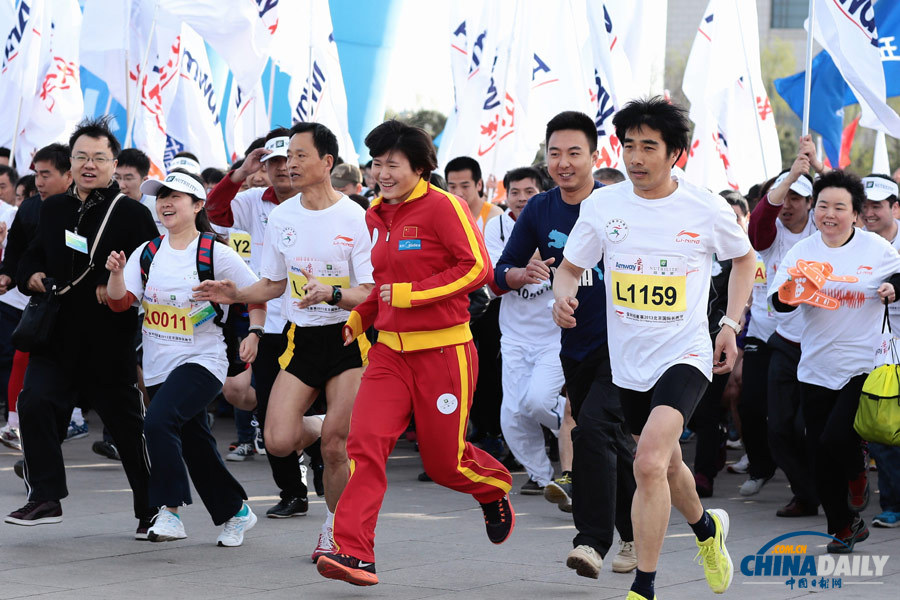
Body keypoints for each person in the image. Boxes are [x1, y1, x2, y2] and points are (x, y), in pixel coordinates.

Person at [554, 98, 755, 600]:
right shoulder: (603, 205)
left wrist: (728, 325)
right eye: (629, 146)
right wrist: (563, 297)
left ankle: (644, 586)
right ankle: (708, 531)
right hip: (628, 360)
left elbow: (745, 260)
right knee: (665, 467)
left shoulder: (704, 206)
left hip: (685, 353)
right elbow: (570, 268)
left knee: (646, 462)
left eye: (649, 147)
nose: (636, 158)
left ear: (675, 154)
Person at [314, 120, 514, 587]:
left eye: (393, 164)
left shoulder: (445, 207)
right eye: (376, 164)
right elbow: (383, 285)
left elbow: (478, 269)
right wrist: (361, 316)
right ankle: (354, 553)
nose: (382, 173)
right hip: (388, 356)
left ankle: (493, 488)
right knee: (362, 449)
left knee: (445, 464)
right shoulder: (374, 214)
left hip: (445, 353)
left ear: (420, 168)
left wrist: (412, 295)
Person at [194, 121, 374, 560]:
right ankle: (326, 424)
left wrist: (331, 293)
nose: (290, 164)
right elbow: (272, 283)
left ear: (327, 162)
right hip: (300, 339)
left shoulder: (357, 216)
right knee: (277, 440)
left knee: (335, 447)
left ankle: (335, 530)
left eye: (299, 156)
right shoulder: (282, 217)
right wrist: (235, 293)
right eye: (287, 156)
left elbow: (370, 292)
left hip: (350, 339)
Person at [495, 111, 636, 579]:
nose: (563, 163)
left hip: (624, 345)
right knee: (613, 442)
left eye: (574, 152)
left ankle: (591, 541)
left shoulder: (622, 204)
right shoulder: (540, 209)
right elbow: (501, 273)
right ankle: (636, 532)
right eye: (554, 153)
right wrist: (522, 275)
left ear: (596, 156)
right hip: (573, 345)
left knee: (591, 429)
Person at [5, 117, 159, 536]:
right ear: (70, 162)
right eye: (81, 157)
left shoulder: (131, 214)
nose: (90, 165)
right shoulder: (52, 208)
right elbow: (30, 257)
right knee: (33, 402)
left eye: (99, 158)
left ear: (113, 164)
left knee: (128, 430)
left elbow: (151, 268)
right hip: (55, 335)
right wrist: (30, 277)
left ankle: (152, 509)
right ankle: (46, 496)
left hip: (108, 343)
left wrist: (113, 286)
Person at [104, 171, 261, 546]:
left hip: (204, 359)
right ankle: (236, 511)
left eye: (176, 197)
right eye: (161, 197)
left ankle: (170, 510)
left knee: (157, 423)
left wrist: (254, 332)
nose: (166, 203)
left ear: (198, 205)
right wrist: (114, 274)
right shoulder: (148, 252)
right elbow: (120, 303)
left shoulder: (215, 252)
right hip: (159, 363)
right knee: (194, 443)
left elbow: (256, 293)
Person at [770, 170, 900, 552]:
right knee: (820, 452)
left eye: (839, 207)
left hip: (864, 364)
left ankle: (857, 470)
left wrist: (894, 287)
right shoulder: (803, 252)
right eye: (823, 205)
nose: (829, 214)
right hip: (816, 365)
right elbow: (777, 302)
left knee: (836, 437)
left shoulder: (876, 249)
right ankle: (844, 526)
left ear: (856, 213)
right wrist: (793, 292)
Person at [204, 127, 311, 517]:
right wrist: (237, 173)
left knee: (319, 412)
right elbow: (214, 212)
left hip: (318, 322)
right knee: (268, 411)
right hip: (267, 321)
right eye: (274, 161)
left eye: (290, 159)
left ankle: (319, 458)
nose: (283, 168)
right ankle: (292, 492)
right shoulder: (251, 200)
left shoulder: (320, 203)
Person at [748, 138, 822, 516]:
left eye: (799, 197)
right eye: (785, 196)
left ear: (812, 204)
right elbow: (758, 222)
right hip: (785, 341)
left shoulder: (823, 229)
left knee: (811, 426)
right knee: (777, 427)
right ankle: (806, 493)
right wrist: (793, 172)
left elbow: (845, 206)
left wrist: (816, 169)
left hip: (825, 345)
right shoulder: (772, 232)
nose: (789, 205)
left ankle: (829, 486)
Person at [485, 167, 564, 494]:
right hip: (515, 337)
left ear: (541, 194)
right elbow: (492, 281)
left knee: (537, 402)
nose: (520, 198)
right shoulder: (497, 227)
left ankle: (588, 435)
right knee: (512, 418)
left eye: (528, 192)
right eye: (514, 191)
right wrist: (519, 271)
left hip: (555, 335)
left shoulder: (557, 220)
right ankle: (547, 480)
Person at [0, 144, 72, 452]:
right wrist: (12, 274)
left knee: (106, 388)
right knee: (25, 360)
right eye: (36, 175)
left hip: (86, 313)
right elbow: (19, 252)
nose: (39, 182)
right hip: (42, 307)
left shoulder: (89, 207)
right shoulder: (30, 209)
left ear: (69, 176)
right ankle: (25, 436)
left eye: (46, 174)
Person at [446, 156, 504, 456]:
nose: (458, 192)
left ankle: (491, 432)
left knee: (487, 372)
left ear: (479, 185)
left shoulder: (493, 217)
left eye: (465, 185)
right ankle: (458, 438)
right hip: (455, 305)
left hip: (489, 306)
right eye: (451, 185)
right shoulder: (446, 213)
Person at [857, 173, 900, 529]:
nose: (869, 213)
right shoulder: (855, 243)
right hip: (878, 351)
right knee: (883, 427)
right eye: (865, 206)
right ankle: (891, 503)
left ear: (895, 208)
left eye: (877, 206)